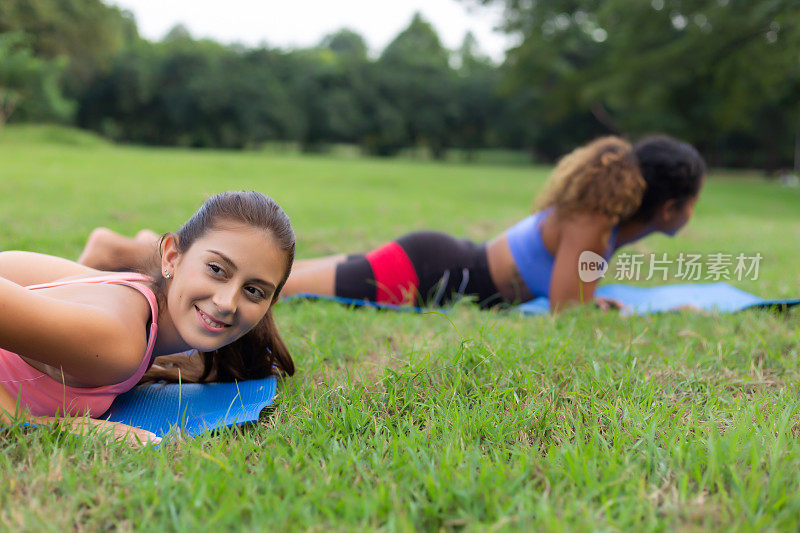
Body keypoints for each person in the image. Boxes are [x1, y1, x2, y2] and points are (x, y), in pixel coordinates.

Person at [78, 135, 705, 313]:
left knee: (281, 282)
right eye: (694, 203)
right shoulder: (595, 224)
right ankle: (124, 251)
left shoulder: (606, 222)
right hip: (437, 274)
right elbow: (570, 310)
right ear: (672, 206)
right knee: (272, 289)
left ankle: (130, 247)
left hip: (439, 261)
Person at [1, 191, 296, 446]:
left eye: (254, 291)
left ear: (271, 303)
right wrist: (35, 423)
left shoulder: (134, 299)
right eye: (217, 269)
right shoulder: (119, 341)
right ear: (171, 257)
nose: (226, 302)